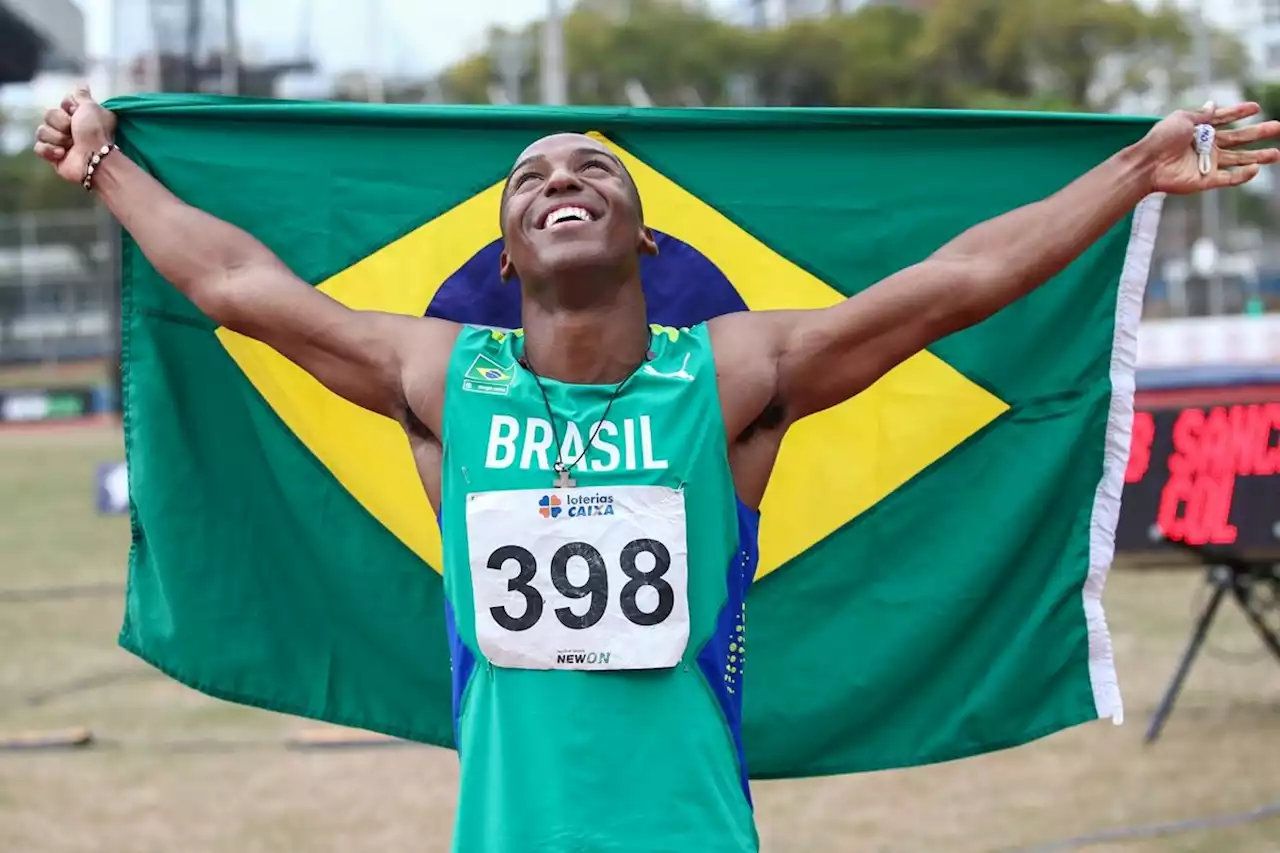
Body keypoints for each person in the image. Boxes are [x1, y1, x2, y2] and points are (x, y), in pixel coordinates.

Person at [33, 87, 1280, 853]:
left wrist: (1132, 170)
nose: (559, 179)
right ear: (508, 257)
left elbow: (947, 289)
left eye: (592, 171)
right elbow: (239, 290)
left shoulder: (728, 376)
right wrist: (103, 163)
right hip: (506, 833)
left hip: (685, 829)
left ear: (640, 231)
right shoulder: (442, 378)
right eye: (528, 177)